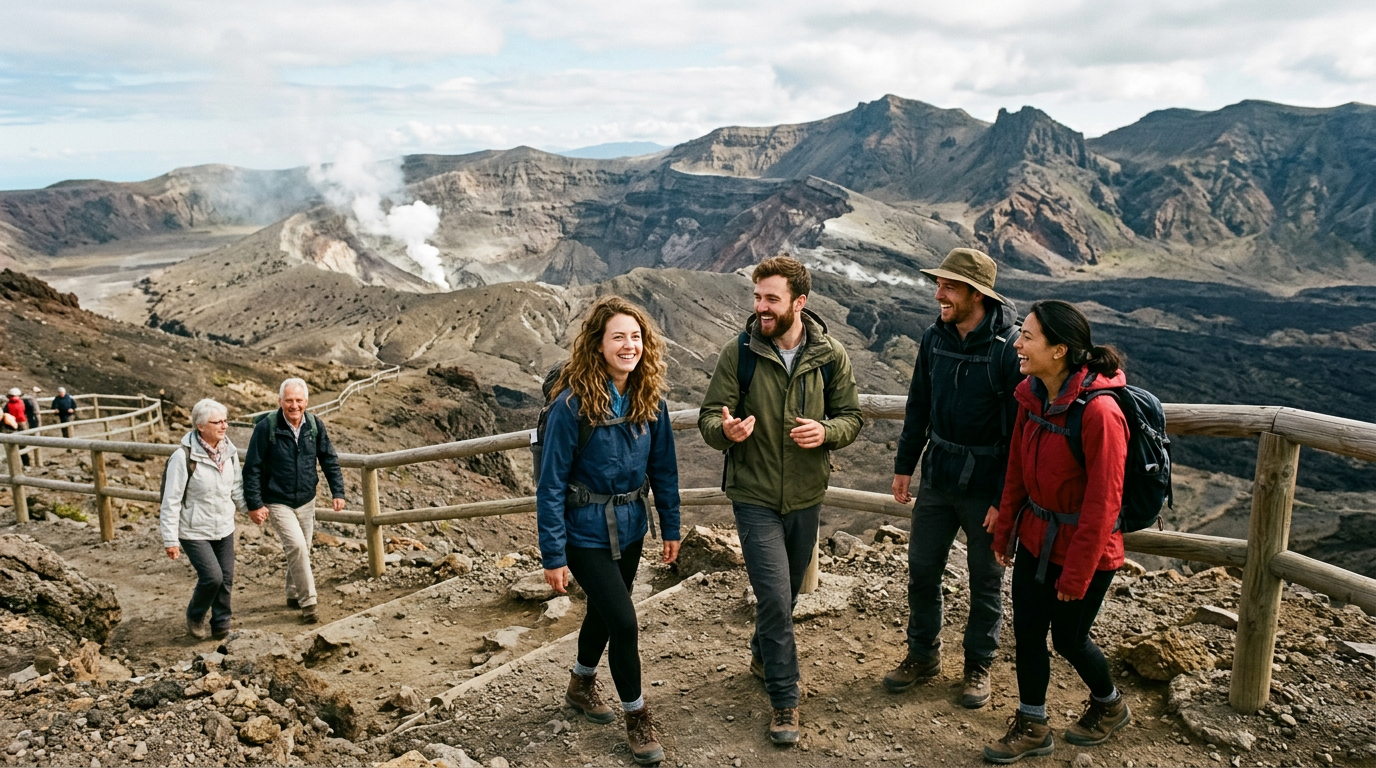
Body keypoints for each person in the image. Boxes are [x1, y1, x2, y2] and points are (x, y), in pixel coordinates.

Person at [698, 255, 863, 745]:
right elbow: (710, 418)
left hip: (807, 496)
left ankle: (761, 652)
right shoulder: (741, 353)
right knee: (773, 594)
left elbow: (851, 416)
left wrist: (827, 431)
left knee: (787, 592)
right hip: (754, 495)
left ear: (800, 302)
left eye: (771, 298)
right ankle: (785, 699)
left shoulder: (831, 357)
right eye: (757, 297)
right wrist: (725, 431)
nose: (761, 307)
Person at [984, 300, 1131, 763]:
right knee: (1027, 632)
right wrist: (1004, 531)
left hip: (1084, 549)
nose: (1018, 344)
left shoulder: (1100, 413)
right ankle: (1032, 726)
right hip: (1035, 536)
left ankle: (1110, 705)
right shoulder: (1033, 395)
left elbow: (1103, 504)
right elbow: (1016, 471)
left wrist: (1077, 574)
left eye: (1028, 337)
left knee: (1068, 638)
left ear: (1060, 350)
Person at [539, 296, 681, 766]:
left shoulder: (649, 399)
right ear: (598, 344)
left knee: (602, 614)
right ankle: (637, 717)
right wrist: (553, 554)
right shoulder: (571, 406)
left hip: (632, 527)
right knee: (623, 621)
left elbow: (664, 470)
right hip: (584, 534)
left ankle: (580, 683)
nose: (629, 345)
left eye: (636, 337)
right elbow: (552, 483)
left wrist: (670, 528)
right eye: (618, 336)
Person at [885, 248, 1021, 708]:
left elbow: (1018, 432)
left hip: (987, 483)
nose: (938, 294)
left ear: (977, 295)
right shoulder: (933, 337)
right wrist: (905, 465)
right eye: (939, 284)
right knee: (922, 569)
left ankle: (978, 665)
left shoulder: (1008, 349)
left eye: (950, 286)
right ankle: (923, 654)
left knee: (985, 579)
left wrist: (1004, 499)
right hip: (938, 477)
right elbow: (918, 403)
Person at [242, 378, 346, 624]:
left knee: (302, 548)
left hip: (306, 499)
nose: (294, 405)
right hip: (277, 500)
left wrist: (338, 492)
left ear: (306, 402)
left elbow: (329, 459)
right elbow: (252, 468)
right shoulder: (265, 428)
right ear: (280, 401)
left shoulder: (313, 425)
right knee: (298, 547)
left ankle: (292, 593)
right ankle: (309, 603)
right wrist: (255, 504)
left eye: (299, 400)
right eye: (289, 400)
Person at [159, 399, 246, 641]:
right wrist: (170, 539)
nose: (224, 426)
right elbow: (171, 500)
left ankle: (221, 626)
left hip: (224, 526)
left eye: (225, 420)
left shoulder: (229, 451)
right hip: (193, 529)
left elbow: (236, 487)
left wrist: (250, 509)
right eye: (217, 422)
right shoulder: (183, 457)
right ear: (200, 426)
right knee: (212, 577)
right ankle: (195, 615)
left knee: (226, 578)